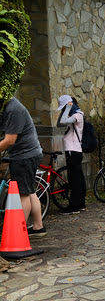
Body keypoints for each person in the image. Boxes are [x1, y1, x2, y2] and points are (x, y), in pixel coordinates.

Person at [0, 97, 45, 236]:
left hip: (24, 156)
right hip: (29, 154)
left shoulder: (13, 109)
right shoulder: (8, 107)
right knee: (29, 191)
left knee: (22, 194)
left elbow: (10, 140)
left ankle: (19, 234)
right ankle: (38, 226)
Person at [57, 95, 87, 212]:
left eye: (64, 107)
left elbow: (64, 121)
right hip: (74, 150)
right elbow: (59, 124)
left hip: (73, 150)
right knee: (78, 178)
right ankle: (80, 203)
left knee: (74, 179)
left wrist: (68, 109)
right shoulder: (73, 115)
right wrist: (65, 111)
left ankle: (74, 206)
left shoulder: (77, 115)